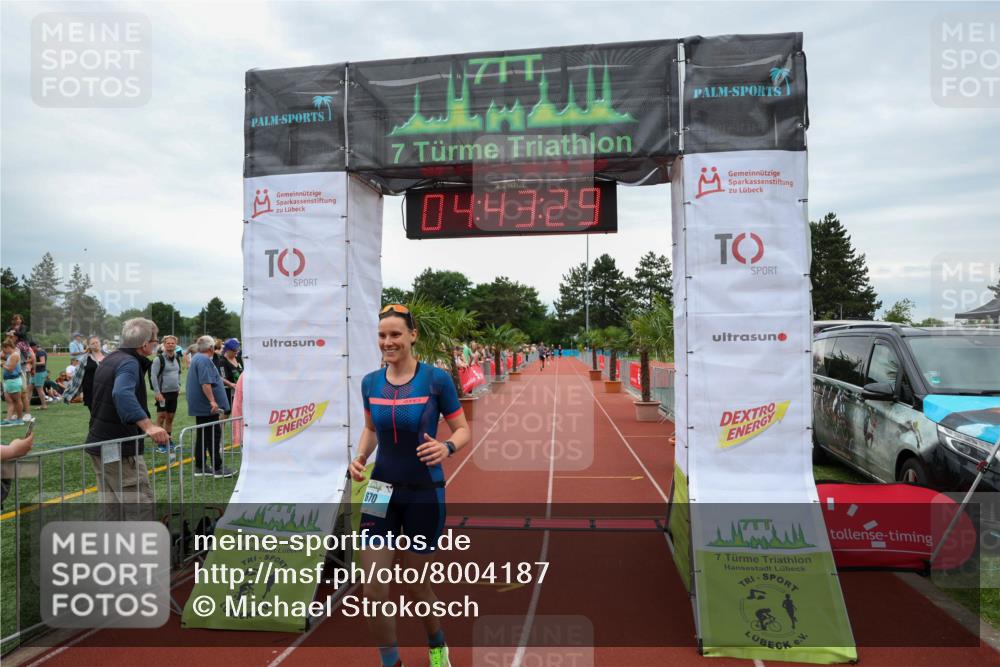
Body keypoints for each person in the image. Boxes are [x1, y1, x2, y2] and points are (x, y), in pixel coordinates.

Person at [348, 304, 470, 667]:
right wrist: (359, 457)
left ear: (412, 336)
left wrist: (446, 446)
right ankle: (391, 662)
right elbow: (371, 429)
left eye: (396, 334)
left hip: (423, 492)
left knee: (418, 586)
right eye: (383, 335)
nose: (388, 342)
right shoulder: (370, 382)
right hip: (379, 490)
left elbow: (464, 430)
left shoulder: (436, 380)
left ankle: (436, 645)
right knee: (373, 589)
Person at [83, 318, 169, 511]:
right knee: (138, 507)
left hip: (100, 443)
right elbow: (121, 393)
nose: (157, 345)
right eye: (156, 340)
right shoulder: (129, 363)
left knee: (112, 509)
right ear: (145, 344)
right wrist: (149, 426)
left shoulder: (110, 359)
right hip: (119, 448)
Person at [186, 335, 234, 478]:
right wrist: (213, 401)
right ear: (211, 348)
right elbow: (205, 383)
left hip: (201, 405)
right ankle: (218, 467)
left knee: (203, 435)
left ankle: (200, 466)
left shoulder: (197, 358)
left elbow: (213, 378)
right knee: (213, 435)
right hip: (206, 406)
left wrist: (229, 384)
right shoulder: (204, 360)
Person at [151, 335, 183, 453]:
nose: (170, 345)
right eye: (168, 343)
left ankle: (168, 440)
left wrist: (178, 385)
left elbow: (178, 373)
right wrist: (157, 392)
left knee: (170, 418)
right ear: (164, 345)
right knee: (161, 417)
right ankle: (160, 443)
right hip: (163, 394)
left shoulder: (177, 358)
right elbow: (153, 376)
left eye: (172, 343)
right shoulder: (159, 359)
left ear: (176, 345)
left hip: (173, 393)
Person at [63, 336, 106, 416]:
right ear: (89, 346)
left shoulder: (108, 357)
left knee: (105, 415)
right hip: (91, 391)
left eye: (97, 342)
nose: (96, 345)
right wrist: (70, 391)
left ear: (100, 343)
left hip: (105, 390)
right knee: (95, 415)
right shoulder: (84, 359)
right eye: (93, 343)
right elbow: (77, 376)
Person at [2, 338, 26, 425]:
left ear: (7, 347)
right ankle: (8, 419)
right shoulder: (11, 355)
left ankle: (20, 419)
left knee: (17, 400)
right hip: (9, 381)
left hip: (13, 381)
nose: (3, 351)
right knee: (9, 401)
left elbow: (11, 369)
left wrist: (2, 364)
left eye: (4, 348)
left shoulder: (14, 355)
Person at [218, 338, 243, 417]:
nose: (236, 352)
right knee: (226, 412)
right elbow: (221, 377)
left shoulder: (238, 359)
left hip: (239, 390)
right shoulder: (222, 361)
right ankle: (220, 429)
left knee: (239, 411)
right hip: (228, 391)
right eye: (234, 351)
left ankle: (237, 429)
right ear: (227, 350)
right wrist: (231, 384)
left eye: (237, 350)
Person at [28, 342, 50, 409]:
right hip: (34, 373)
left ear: (34, 346)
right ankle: (26, 405)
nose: (30, 349)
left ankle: (44, 405)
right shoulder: (34, 352)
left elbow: (43, 362)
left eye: (30, 348)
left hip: (39, 373)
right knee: (29, 389)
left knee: (39, 390)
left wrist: (32, 362)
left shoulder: (40, 352)